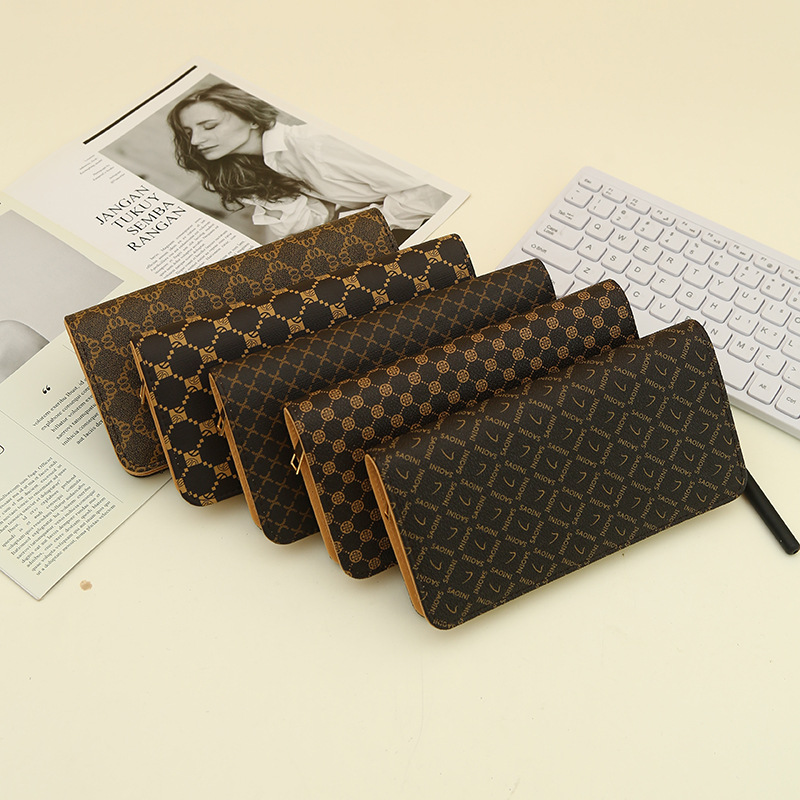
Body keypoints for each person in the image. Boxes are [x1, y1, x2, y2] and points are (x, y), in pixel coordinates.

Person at [167, 83, 450, 243]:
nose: (196, 141)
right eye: (189, 133)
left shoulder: (316, 143)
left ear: (251, 118)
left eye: (209, 126)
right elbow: (309, 226)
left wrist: (358, 225)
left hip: (435, 223)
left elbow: (430, 189)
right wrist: (264, 194)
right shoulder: (259, 167)